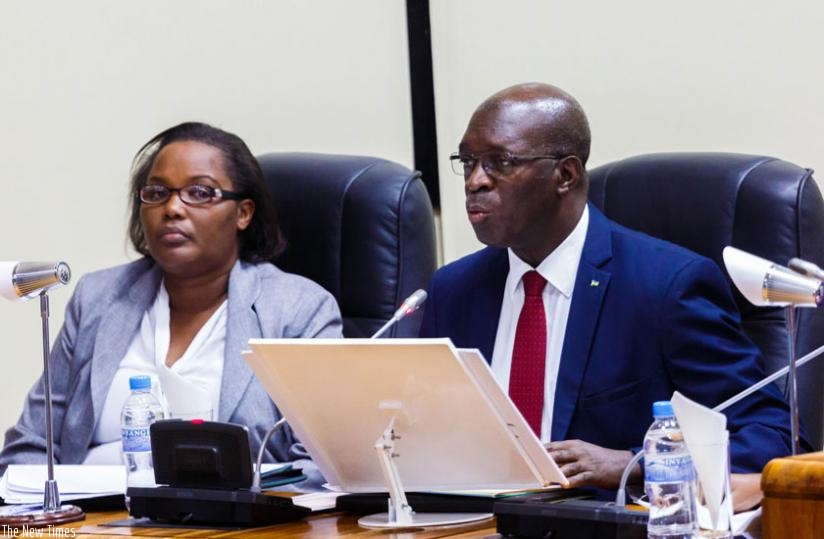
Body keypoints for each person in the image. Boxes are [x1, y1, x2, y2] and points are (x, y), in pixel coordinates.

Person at [419, 83, 799, 508]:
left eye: (499, 163)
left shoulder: (667, 286)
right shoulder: (453, 289)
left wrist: (638, 464)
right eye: (468, 162)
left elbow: (767, 435)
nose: (475, 182)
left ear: (566, 175)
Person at [0, 122, 342, 484]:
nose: (172, 208)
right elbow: (29, 447)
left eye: (199, 192)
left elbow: (323, 464)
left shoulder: (299, 310)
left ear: (243, 213)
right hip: (93, 522)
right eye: (157, 192)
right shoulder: (98, 298)